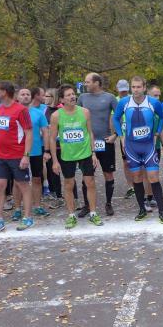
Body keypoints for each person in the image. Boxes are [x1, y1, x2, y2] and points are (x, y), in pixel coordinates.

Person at [114, 76, 163, 223]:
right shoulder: (124, 102)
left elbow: (162, 117)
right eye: (133, 87)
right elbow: (116, 118)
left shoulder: (153, 102)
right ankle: (142, 210)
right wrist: (121, 136)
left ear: (144, 88)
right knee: (137, 178)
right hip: (131, 146)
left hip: (148, 146)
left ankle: (162, 212)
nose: (136, 90)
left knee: (153, 177)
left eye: (138, 87)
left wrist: (157, 132)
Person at [50, 84, 103, 229]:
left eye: (73, 94)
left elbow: (90, 133)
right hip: (67, 155)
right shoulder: (56, 116)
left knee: (90, 182)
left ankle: (93, 213)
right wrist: (54, 161)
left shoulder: (85, 112)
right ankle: (71, 215)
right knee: (69, 184)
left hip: (85, 153)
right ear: (61, 99)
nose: (72, 96)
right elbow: (52, 139)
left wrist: (93, 153)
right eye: (68, 95)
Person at [0, 82, 34, 233]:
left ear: (4, 92)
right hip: (1, 156)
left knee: (23, 185)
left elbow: (29, 133)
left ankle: (27, 217)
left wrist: (26, 155)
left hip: (17, 155)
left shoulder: (21, 110)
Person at [78, 72, 119, 217]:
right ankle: (87, 205)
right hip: (88, 144)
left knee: (108, 173)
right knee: (87, 175)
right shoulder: (82, 98)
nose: (85, 84)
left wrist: (115, 135)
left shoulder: (109, 97)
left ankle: (108, 203)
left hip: (105, 142)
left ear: (96, 83)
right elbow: (76, 116)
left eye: (87, 82)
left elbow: (120, 116)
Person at [14, 88, 50, 218]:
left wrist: (46, 150)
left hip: (35, 151)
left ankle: (37, 206)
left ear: (31, 97)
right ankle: (17, 209)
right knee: (17, 181)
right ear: (17, 97)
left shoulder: (38, 113)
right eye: (22, 94)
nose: (25, 96)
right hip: (18, 152)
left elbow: (45, 132)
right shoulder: (13, 112)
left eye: (28, 94)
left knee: (37, 179)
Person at [44, 88, 64, 208]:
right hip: (50, 146)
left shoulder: (61, 110)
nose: (44, 98)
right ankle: (58, 196)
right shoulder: (45, 109)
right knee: (53, 173)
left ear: (53, 97)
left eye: (47, 96)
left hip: (63, 146)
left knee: (68, 173)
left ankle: (75, 198)